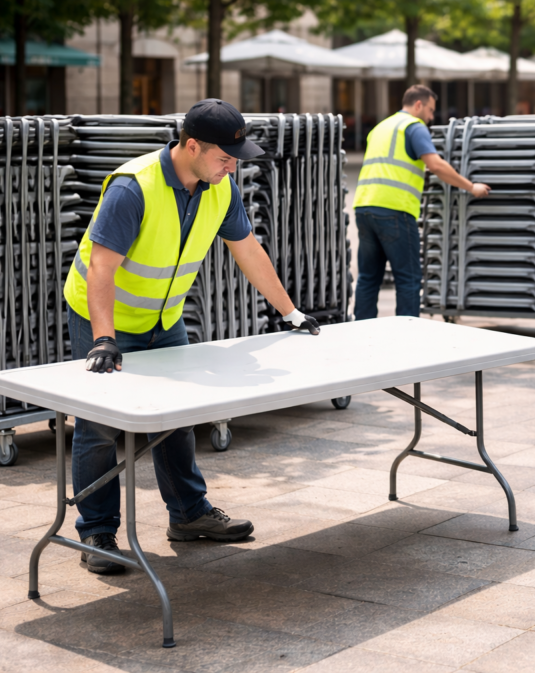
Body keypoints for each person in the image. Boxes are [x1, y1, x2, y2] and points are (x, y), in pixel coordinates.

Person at [63, 99, 321, 574]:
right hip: (104, 318)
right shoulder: (133, 187)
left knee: (177, 417)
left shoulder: (220, 188)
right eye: (225, 156)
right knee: (98, 428)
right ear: (191, 145)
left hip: (164, 319)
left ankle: (188, 515)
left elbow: (247, 250)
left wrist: (291, 313)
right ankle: (96, 532)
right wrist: (103, 338)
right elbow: (101, 268)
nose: (232, 166)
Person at [353, 85, 491, 320]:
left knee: (368, 278)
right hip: (395, 210)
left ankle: (362, 332)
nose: (431, 117)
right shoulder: (414, 128)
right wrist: (471, 186)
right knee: (408, 278)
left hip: (364, 207)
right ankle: (408, 336)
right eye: (430, 110)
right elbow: (436, 165)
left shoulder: (380, 127)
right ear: (418, 105)